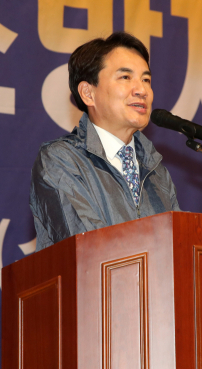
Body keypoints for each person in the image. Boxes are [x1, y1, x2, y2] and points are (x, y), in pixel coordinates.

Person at [30, 32, 181, 251]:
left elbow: (178, 247)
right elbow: (90, 247)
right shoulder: (61, 160)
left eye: (146, 80)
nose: (142, 90)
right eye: (125, 77)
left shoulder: (155, 170)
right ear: (88, 93)